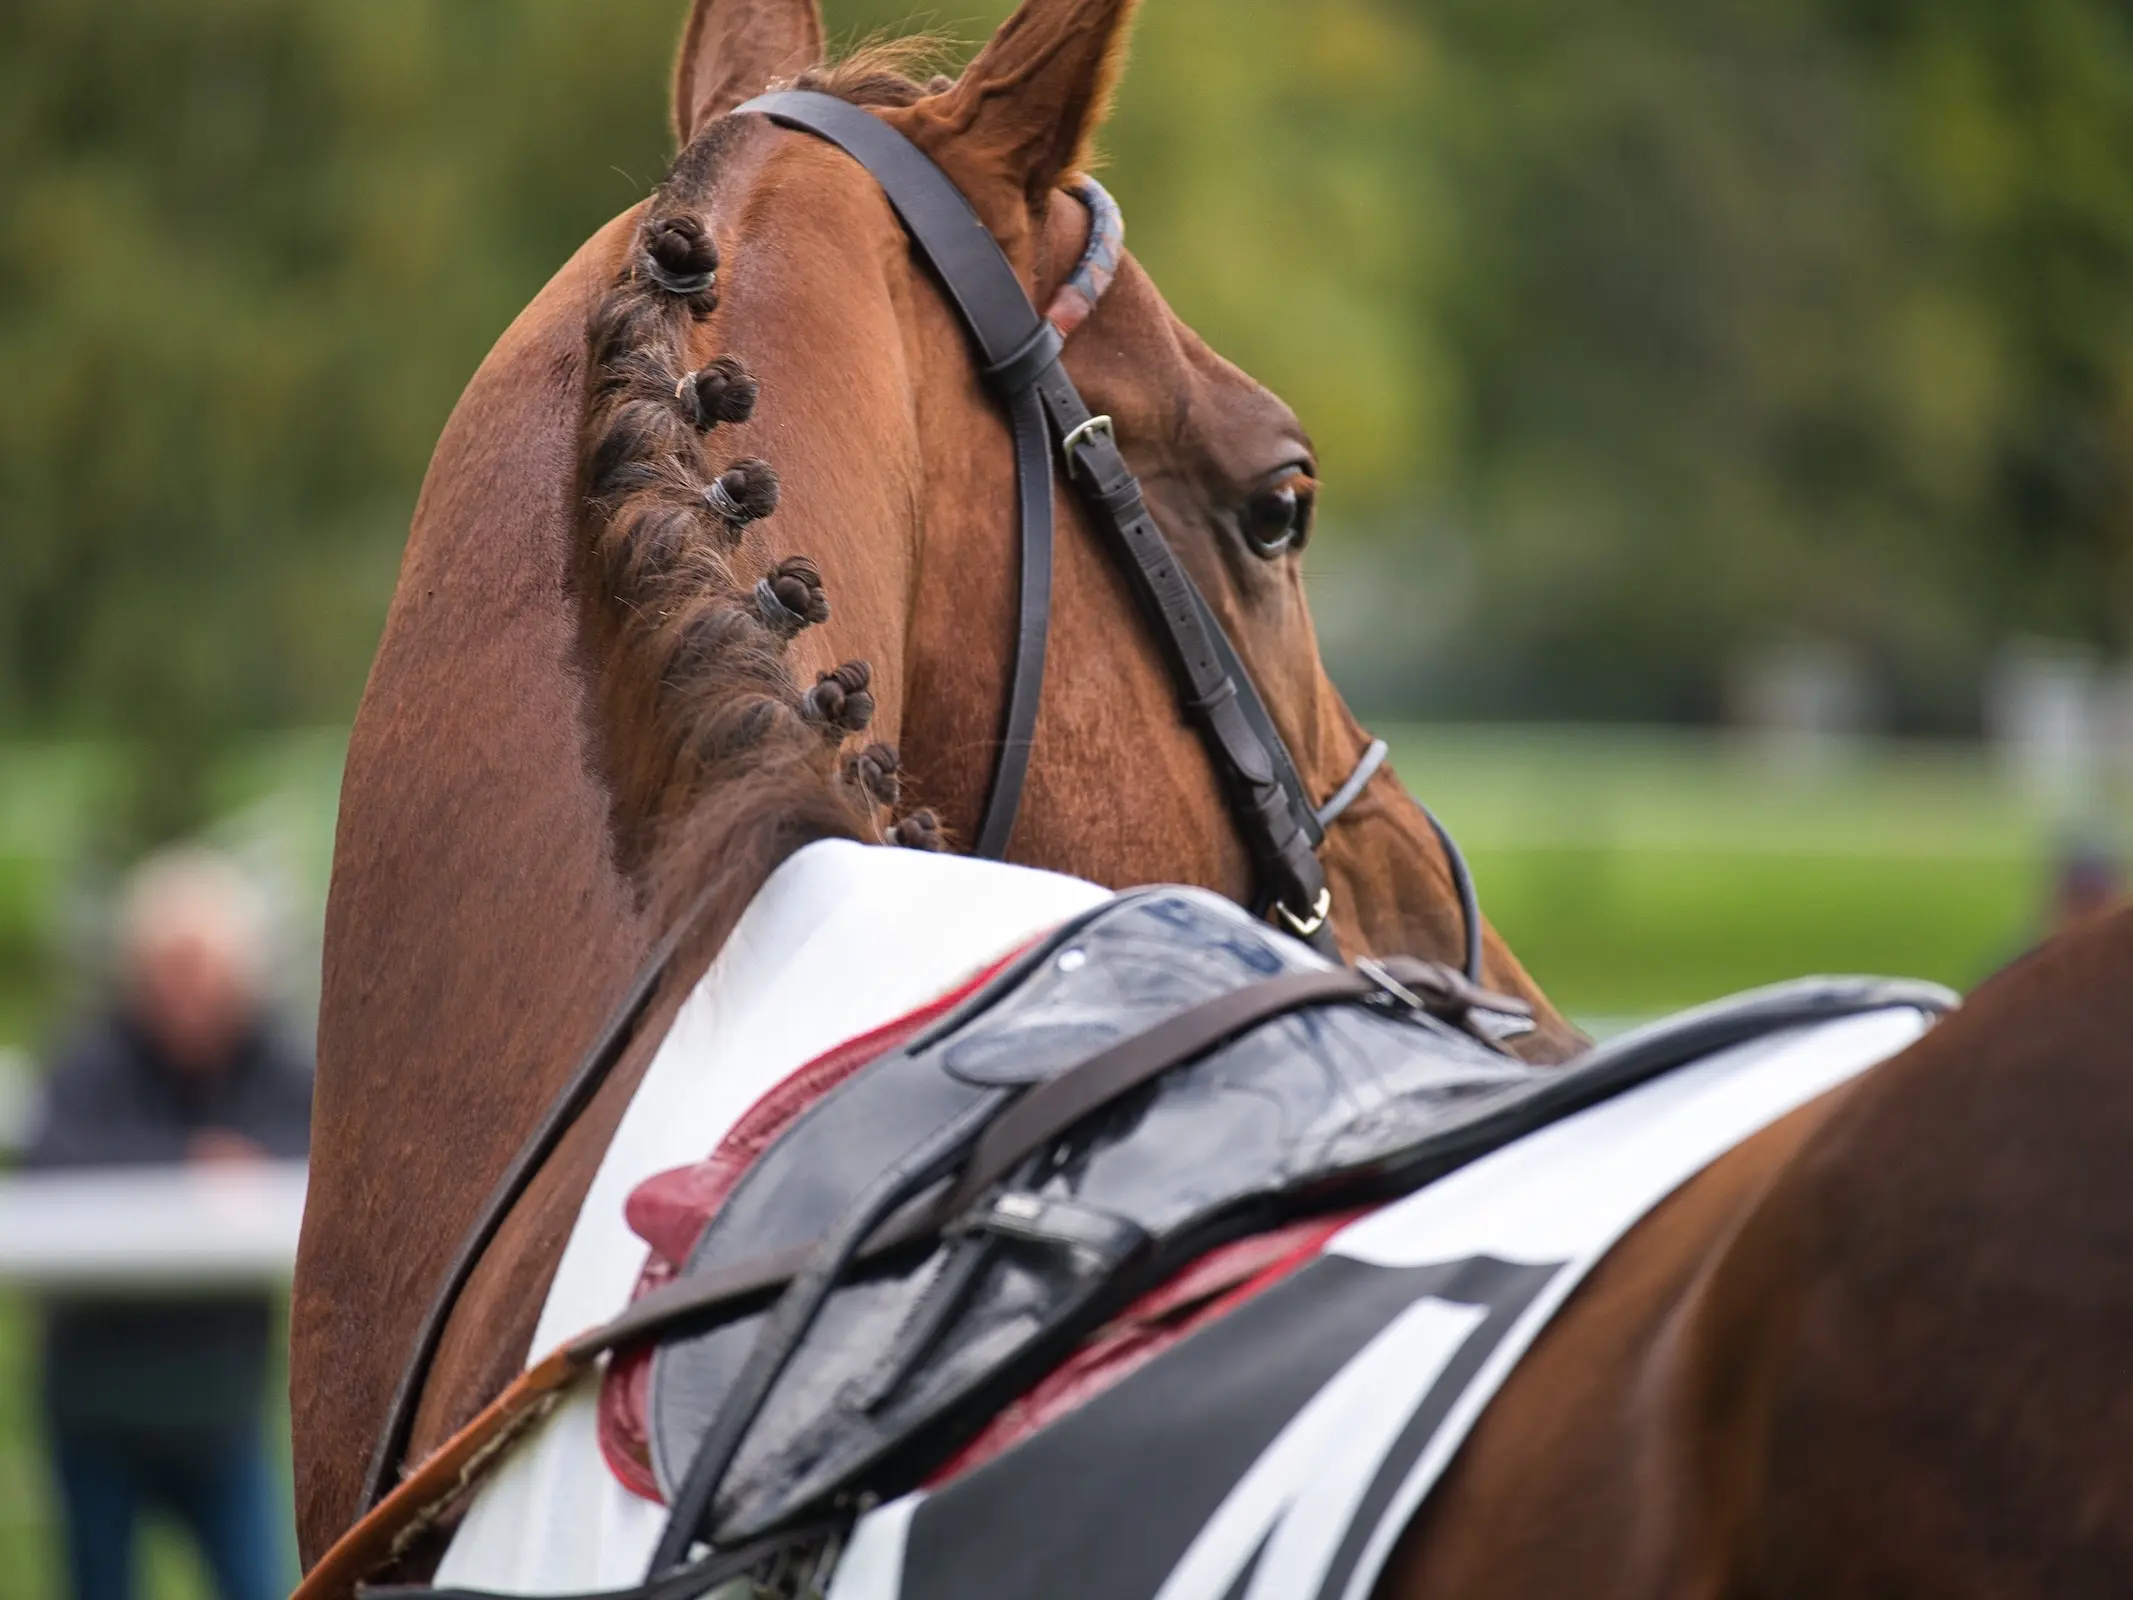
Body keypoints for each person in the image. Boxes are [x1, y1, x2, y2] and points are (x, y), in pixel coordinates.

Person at [25, 849, 312, 1600]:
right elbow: (54, 1163)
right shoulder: (92, 1064)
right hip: (99, 1409)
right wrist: (196, 1167)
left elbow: (321, 1150)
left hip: (219, 1412)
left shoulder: (271, 1064)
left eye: (203, 967)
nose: (187, 992)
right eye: (169, 967)